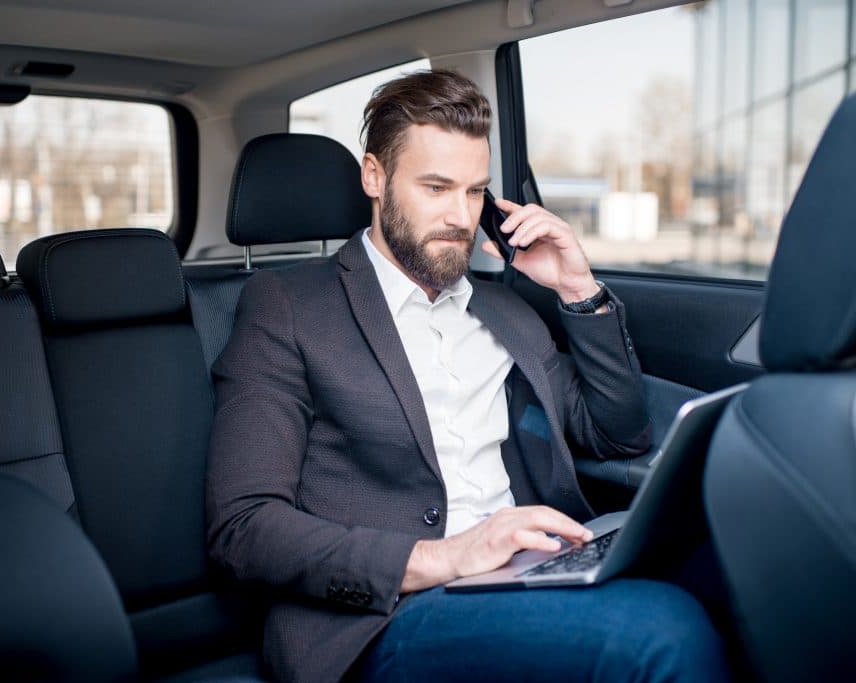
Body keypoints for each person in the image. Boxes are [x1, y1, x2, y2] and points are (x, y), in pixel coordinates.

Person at [206, 69, 731, 683]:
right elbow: (242, 527)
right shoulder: (289, 306)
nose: (460, 216)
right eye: (436, 187)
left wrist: (576, 289)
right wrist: (444, 556)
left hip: (525, 572)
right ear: (374, 177)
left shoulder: (501, 308)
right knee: (657, 634)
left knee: (746, 562)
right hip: (388, 616)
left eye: (475, 191)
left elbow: (619, 437)